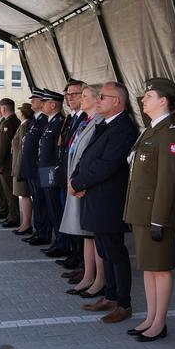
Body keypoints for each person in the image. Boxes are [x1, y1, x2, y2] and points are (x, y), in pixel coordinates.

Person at [69, 81, 138, 323]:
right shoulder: (106, 125)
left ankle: (123, 303)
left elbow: (107, 165)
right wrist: (76, 178)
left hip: (109, 200)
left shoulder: (124, 128)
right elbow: (87, 156)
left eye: (102, 97)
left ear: (117, 102)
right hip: (95, 197)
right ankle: (109, 296)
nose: (97, 100)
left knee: (115, 252)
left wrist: (79, 183)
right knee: (104, 250)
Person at [123, 78, 175, 341]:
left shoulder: (169, 133)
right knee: (149, 267)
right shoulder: (150, 130)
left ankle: (159, 322)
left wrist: (159, 219)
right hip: (142, 213)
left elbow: (168, 181)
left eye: (149, 96)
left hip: (155, 214)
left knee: (160, 268)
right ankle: (150, 317)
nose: (143, 100)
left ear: (163, 101)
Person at [60, 84, 105, 297]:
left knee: (93, 236)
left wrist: (80, 182)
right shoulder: (85, 122)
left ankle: (99, 279)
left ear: (97, 100)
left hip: (86, 186)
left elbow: (91, 159)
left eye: (85, 96)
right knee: (86, 236)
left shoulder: (98, 123)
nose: (81, 99)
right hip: (77, 183)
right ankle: (88, 275)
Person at [53, 80, 88, 268]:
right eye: (67, 94)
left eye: (74, 94)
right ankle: (74, 254)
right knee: (68, 217)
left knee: (77, 221)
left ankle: (80, 258)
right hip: (65, 176)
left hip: (76, 179)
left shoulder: (85, 119)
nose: (69, 97)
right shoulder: (71, 118)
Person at [19, 88, 54, 246]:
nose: (32, 102)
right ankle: (38, 231)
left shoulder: (45, 121)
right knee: (38, 201)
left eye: (36, 99)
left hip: (41, 169)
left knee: (42, 203)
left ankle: (44, 233)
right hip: (33, 169)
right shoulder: (36, 120)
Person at [37, 90, 66, 252]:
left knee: (56, 208)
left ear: (53, 105)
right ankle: (57, 241)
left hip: (51, 171)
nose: (42, 105)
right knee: (50, 207)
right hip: (45, 169)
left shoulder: (58, 123)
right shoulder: (50, 122)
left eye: (45, 102)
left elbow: (58, 151)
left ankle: (61, 243)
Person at [0, 99, 21, 228]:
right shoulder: (8, 121)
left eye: (0, 108)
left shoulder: (10, 123)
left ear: (4, 109)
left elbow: (4, 146)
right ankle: (10, 215)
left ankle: (14, 217)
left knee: (10, 192)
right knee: (8, 192)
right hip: (6, 162)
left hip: (7, 163)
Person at [11, 103, 35, 235]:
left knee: (25, 195)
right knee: (23, 195)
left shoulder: (25, 126)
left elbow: (22, 149)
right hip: (18, 165)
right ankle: (25, 223)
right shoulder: (23, 125)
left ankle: (26, 224)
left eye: (21, 111)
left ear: (24, 113)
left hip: (20, 166)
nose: (19, 113)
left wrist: (19, 169)